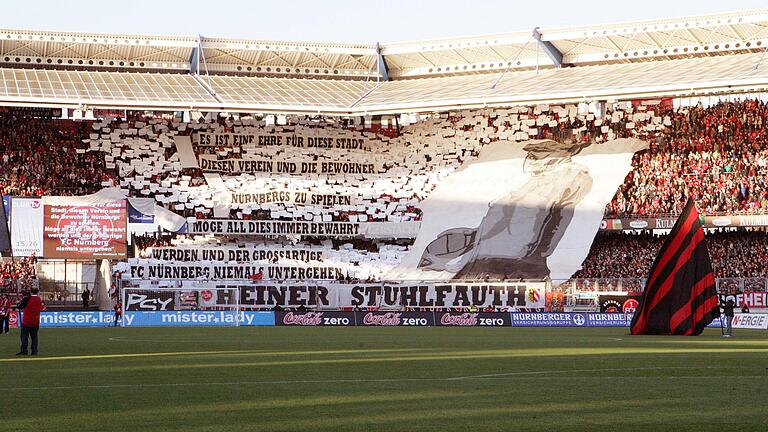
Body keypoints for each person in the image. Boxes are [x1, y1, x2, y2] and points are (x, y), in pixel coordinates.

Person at [16, 288, 43, 355]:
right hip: (36, 321)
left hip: (27, 321)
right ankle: (34, 350)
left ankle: (24, 350)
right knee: (34, 336)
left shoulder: (27, 299)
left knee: (24, 336)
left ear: (31, 292)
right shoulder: (39, 299)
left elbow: (20, 307)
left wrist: (18, 303)